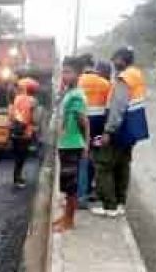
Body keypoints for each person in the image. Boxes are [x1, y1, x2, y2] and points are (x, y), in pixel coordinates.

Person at [93, 47, 149, 217]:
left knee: (104, 165)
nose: (114, 63)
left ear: (122, 60)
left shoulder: (124, 78)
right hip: (132, 129)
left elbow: (118, 106)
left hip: (120, 128)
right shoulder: (137, 75)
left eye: (115, 60)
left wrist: (108, 131)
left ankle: (109, 206)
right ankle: (119, 204)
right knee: (122, 166)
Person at [53, 57, 90, 232]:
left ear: (78, 74)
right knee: (67, 186)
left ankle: (70, 221)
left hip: (72, 144)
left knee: (71, 187)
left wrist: (86, 145)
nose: (64, 75)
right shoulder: (69, 92)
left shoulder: (76, 95)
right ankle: (65, 217)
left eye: (68, 72)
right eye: (63, 72)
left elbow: (84, 122)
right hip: (65, 144)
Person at [77, 60, 112, 208]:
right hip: (98, 127)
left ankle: (80, 191)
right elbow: (109, 108)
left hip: (81, 124)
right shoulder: (106, 84)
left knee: (81, 155)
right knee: (95, 154)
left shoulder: (79, 80)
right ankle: (91, 188)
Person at [8, 78, 38, 188]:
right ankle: (18, 178)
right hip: (26, 132)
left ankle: (17, 177)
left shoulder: (17, 98)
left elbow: (12, 115)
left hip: (16, 130)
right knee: (22, 156)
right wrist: (35, 126)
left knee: (17, 157)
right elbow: (34, 117)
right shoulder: (33, 101)